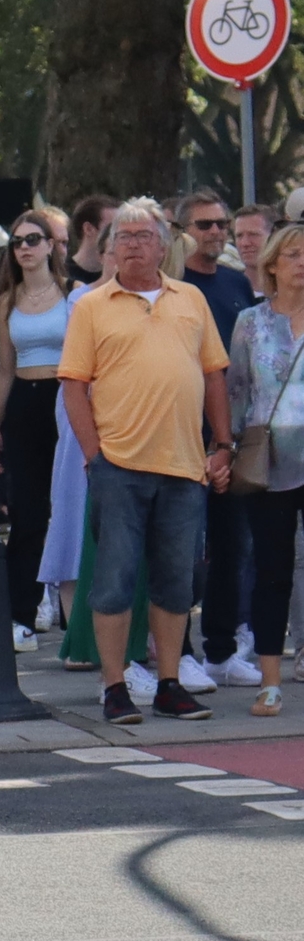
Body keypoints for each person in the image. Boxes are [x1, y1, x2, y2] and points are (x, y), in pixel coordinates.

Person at [58, 196, 233, 724]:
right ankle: (114, 687)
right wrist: (95, 457)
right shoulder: (91, 305)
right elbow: (73, 387)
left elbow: (213, 377)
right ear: (109, 250)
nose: (133, 245)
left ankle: (170, 682)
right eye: (123, 238)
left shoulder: (190, 300)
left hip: (183, 465)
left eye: (143, 236)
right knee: (113, 579)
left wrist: (222, 445)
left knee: (176, 581)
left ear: (163, 245)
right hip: (120, 465)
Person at [176, 188, 258, 687]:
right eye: (204, 225)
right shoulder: (174, 286)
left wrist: (230, 440)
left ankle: (222, 650)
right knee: (181, 550)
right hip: (182, 431)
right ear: (183, 231)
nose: (215, 233)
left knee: (233, 545)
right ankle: (178, 650)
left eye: (221, 225)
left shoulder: (234, 284)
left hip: (232, 433)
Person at [0, 209, 71, 650]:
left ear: (53, 245)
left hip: (67, 400)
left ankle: (78, 613)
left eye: (34, 239)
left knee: (73, 507)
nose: (25, 248)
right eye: (17, 242)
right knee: (28, 513)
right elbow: (4, 370)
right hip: (24, 405)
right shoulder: (5, 301)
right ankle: (23, 614)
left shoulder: (75, 295)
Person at [225, 224, 304, 716]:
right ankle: (270, 681)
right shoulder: (251, 323)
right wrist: (223, 447)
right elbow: (236, 392)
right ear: (273, 264)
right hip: (269, 459)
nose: (302, 263)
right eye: (294, 254)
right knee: (273, 571)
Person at [67, 194, 118, 289]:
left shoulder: (119, 275)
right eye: (111, 227)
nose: (119, 232)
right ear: (88, 229)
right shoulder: (62, 274)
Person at [233, 203, 276, 294]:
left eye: (253, 235)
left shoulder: (293, 290)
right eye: (239, 236)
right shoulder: (230, 292)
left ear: (274, 236)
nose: (245, 243)